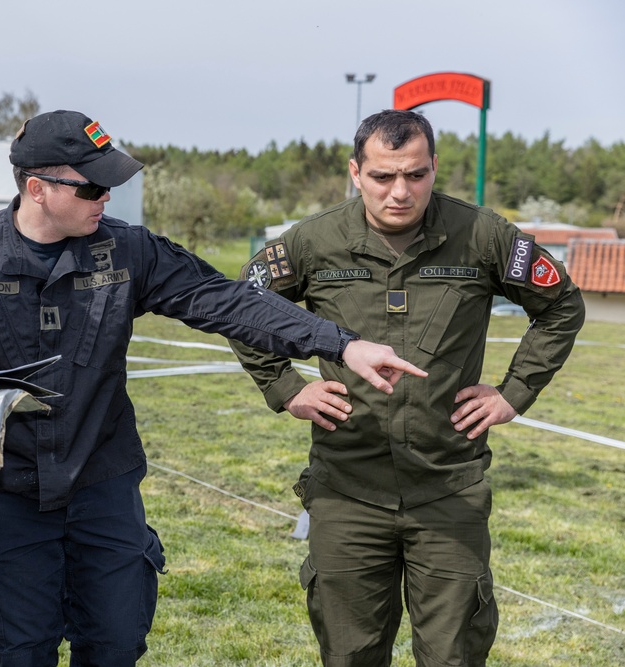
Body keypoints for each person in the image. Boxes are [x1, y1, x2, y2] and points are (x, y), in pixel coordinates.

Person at [0, 109, 426, 667]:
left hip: (101, 490)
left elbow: (226, 302)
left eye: (109, 184)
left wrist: (339, 343)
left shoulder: (129, 251)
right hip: (3, 494)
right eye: (90, 186)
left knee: (115, 645)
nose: (105, 197)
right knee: (19, 651)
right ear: (37, 188)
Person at [231, 109, 586, 667]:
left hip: (448, 488)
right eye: (383, 176)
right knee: (350, 656)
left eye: (416, 175)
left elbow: (561, 305)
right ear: (355, 172)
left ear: (434, 168)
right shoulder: (313, 241)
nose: (400, 191)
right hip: (347, 489)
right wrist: (284, 386)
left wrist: (514, 392)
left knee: (452, 656)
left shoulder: (483, 235)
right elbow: (243, 306)